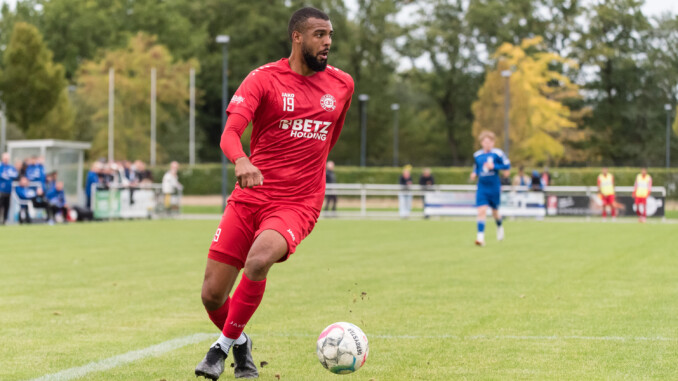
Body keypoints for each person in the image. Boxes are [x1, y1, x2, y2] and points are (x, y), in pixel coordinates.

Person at [194, 7, 354, 380]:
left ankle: (219, 350)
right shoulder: (263, 80)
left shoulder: (342, 85)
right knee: (211, 295)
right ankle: (241, 342)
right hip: (251, 195)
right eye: (318, 34)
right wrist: (241, 161)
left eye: (329, 34)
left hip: (299, 202)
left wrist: (307, 175)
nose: (327, 41)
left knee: (258, 259)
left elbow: (331, 139)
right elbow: (229, 133)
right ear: (297, 37)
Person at [470, 131, 510, 246]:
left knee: (495, 212)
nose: (487, 144)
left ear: (493, 142)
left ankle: (499, 226)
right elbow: (476, 168)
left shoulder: (498, 153)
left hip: (494, 187)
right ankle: (480, 238)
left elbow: (507, 166)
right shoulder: (477, 155)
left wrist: (495, 166)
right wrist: (474, 174)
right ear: (481, 143)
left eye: (489, 142)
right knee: (481, 211)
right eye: (484, 142)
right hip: (482, 187)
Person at [0, 153, 19, 224]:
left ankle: (4, 220)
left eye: (7, 158)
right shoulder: (0, 166)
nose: (6, 160)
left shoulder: (11, 167)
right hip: (1, 189)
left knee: (6, 205)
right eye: (5, 158)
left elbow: (15, 175)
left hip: (8, 190)